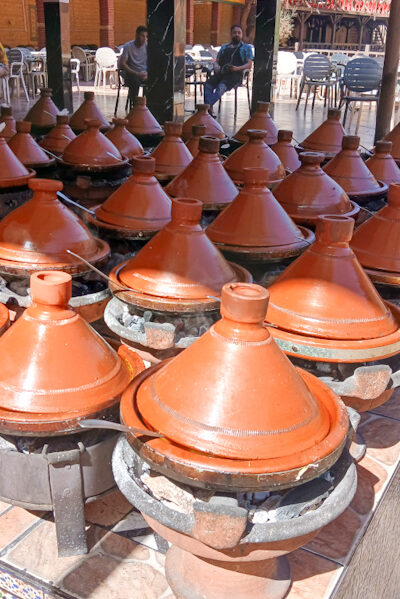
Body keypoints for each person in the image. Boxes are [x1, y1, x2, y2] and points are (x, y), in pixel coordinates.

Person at [204, 25, 253, 115]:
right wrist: (216, 66)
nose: (237, 34)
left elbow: (249, 64)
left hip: (235, 75)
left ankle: (204, 108)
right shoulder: (224, 47)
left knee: (220, 87)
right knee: (208, 84)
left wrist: (237, 68)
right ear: (231, 34)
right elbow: (216, 61)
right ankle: (209, 108)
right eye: (235, 33)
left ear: (242, 35)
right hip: (222, 72)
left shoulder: (246, 48)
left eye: (239, 33)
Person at [119, 26, 148, 99]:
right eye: (142, 36)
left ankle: (147, 105)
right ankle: (135, 106)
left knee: (155, 81)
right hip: (131, 73)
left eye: (146, 36)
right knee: (135, 82)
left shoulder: (148, 46)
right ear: (136, 35)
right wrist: (137, 73)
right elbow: (123, 64)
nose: (144, 39)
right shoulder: (128, 46)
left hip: (143, 73)